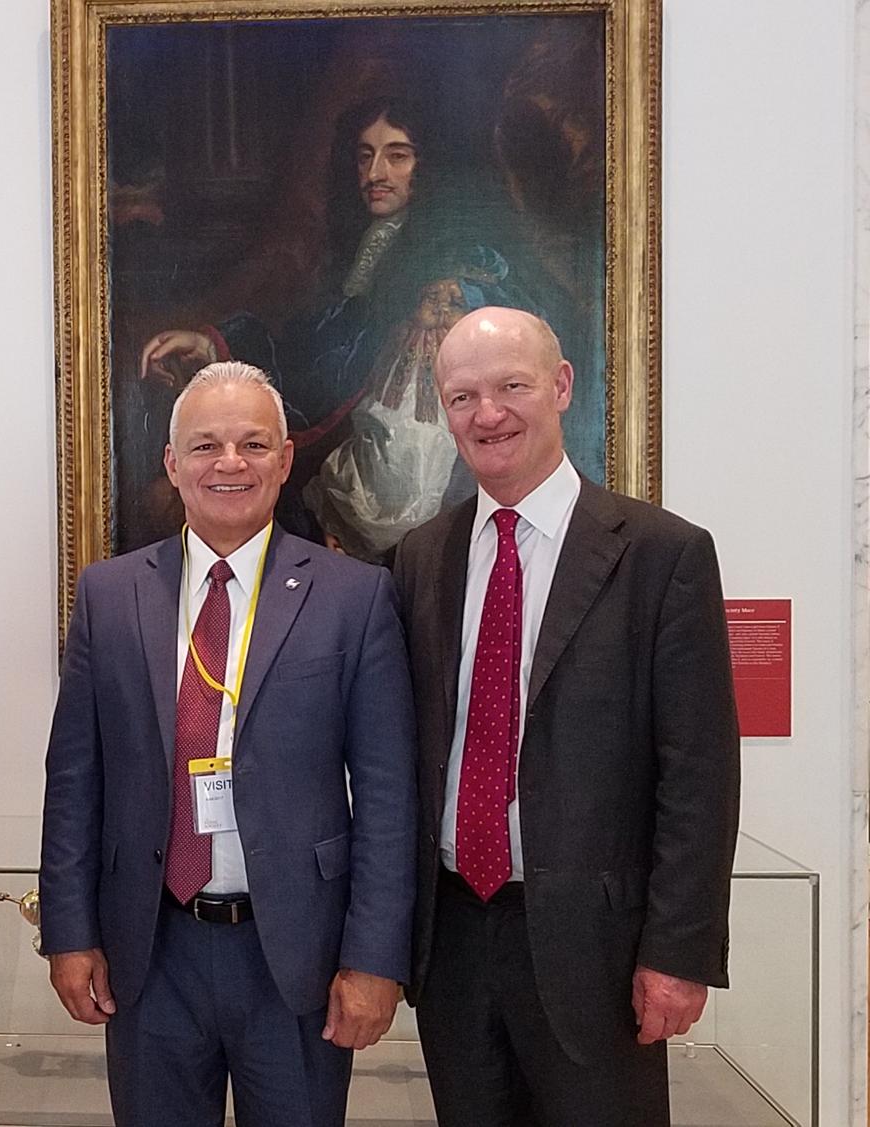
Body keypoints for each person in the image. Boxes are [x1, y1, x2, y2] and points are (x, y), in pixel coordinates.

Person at [40, 360, 417, 1126]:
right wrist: (69, 933)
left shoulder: (353, 596)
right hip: (152, 950)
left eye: (253, 443)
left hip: (296, 958)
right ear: (173, 464)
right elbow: (75, 778)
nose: (230, 463)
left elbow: (387, 794)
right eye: (206, 445)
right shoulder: (109, 595)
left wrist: (375, 957)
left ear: (285, 460)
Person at [393, 307, 740, 1125]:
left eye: (511, 386)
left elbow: (699, 772)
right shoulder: (420, 557)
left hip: (601, 954)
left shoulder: (662, 555)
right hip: (453, 943)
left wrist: (678, 953)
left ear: (561, 385)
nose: (488, 414)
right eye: (462, 396)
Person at [140, 97, 530, 559]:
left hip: (402, 506)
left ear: (431, 167)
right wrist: (210, 343)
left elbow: (406, 468)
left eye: (397, 155)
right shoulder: (368, 248)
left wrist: (336, 511)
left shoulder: (447, 282)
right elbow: (321, 354)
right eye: (365, 155)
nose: (375, 173)